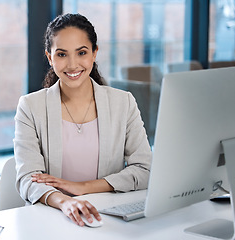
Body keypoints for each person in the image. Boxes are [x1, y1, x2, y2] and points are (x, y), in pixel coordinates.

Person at [14, 13, 151, 227]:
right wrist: (65, 201)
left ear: (94, 53)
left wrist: (84, 187)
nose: (72, 64)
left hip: (108, 217)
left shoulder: (123, 103)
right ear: (50, 58)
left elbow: (145, 170)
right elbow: (27, 178)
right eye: (61, 54)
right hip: (52, 218)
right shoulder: (30, 107)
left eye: (82, 52)